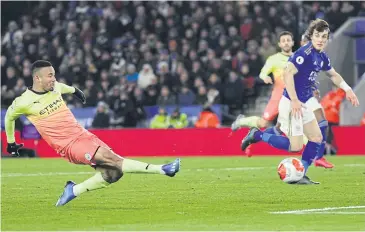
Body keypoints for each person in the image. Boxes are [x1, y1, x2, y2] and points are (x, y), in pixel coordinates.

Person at [5, 60, 181, 207]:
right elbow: (8, 117)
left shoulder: (55, 87)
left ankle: (73, 190)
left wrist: (76, 91)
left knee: (113, 174)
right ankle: (163, 170)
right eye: (50, 75)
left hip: (84, 135)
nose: (54, 79)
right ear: (37, 77)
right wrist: (11, 142)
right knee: (113, 159)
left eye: (54, 74)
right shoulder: (23, 101)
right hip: (69, 145)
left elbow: (64, 87)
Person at [240, 19, 359, 184]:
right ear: (311, 36)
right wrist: (294, 100)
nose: (321, 39)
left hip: (302, 103)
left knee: (316, 138)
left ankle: (301, 172)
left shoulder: (321, 56)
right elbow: (287, 74)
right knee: (295, 146)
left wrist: (348, 89)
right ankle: (257, 134)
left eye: (324, 36)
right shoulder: (304, 54)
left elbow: (333, 75)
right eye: (317, 35)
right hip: (291, 104)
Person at [232, 32, 334, 168]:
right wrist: (266, 78)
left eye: (288, 40)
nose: (286, 43)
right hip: (279, 98)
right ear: (279, 44)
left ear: (293, 43)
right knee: (264, 123)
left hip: (297, 99)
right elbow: (263, 73)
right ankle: (242, 123)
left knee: (283, 130)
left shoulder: (301, 57)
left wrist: (313, 88)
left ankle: (317, 157)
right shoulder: (274, 59)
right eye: (283, 41)